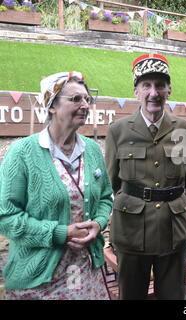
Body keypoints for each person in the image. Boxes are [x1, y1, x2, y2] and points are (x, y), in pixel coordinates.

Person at [0, 71, 113, 299]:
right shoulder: (22, 154)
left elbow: (105, 197)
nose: (85, 105)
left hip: (86, 272)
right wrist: (60, 233)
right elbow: (6, 217)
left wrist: (99, 224)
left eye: (86, 99)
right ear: (52, 106)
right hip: (40, 279)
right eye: (75, 99)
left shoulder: (91, 150)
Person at [105, 53, 186, 300]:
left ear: (169, 90)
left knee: (173, 295)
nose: (153, 93)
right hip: (131, 232)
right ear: (136, 92)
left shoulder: (184, 129)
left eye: (159, 85)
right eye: (146, 85)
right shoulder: (118, 131)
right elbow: (112, 182)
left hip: (173, 231)